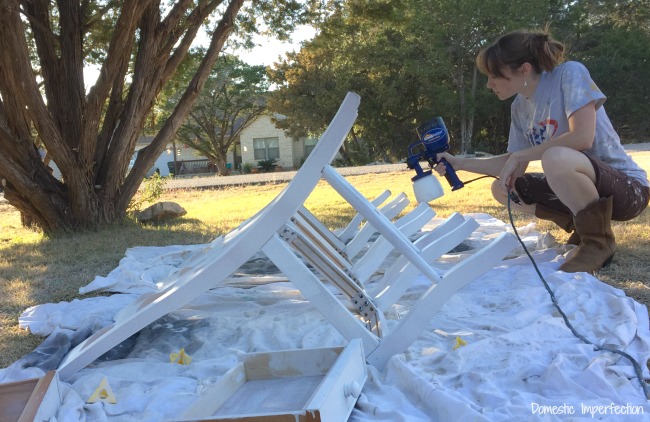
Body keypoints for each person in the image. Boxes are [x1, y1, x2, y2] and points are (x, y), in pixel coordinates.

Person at [434, 29, 650, 274]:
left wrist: (521, 155)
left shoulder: (569, 73)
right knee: (504, 189)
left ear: (524, 70)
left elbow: (582, 137)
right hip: (586, 185)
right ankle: (583, 227)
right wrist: (458, 163)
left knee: (555, 157)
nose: (489, 84)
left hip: (628, 191)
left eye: (494, 75)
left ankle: (598, 242)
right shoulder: (518, 107)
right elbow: (513, 164)